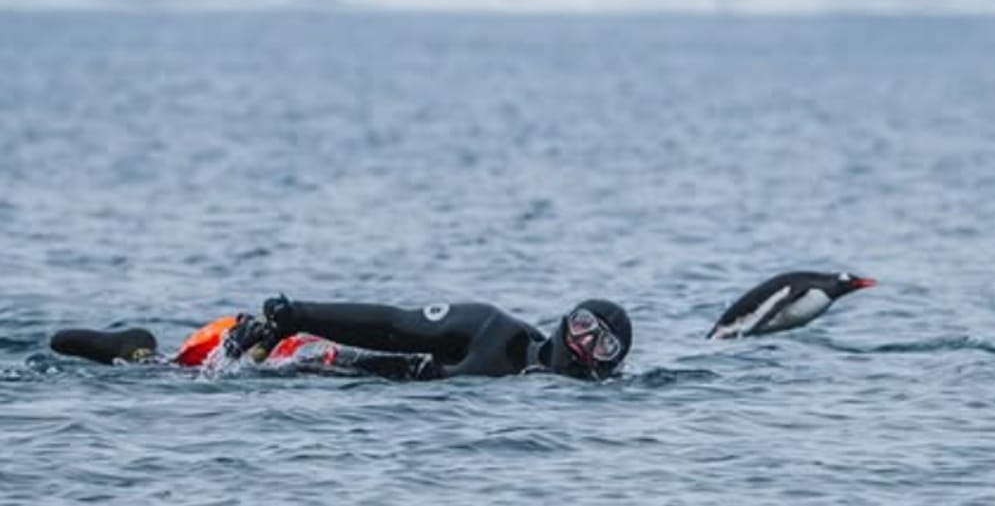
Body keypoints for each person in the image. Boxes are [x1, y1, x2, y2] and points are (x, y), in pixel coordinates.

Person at [50, 294, 633, 382]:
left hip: (334, 387)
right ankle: (133, 350)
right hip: (321, 360)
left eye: (602, 346)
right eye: (583, 328)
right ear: (565, 323)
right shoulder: (492, 332)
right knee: (180, 378)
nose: (584, 346)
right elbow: (394, 324)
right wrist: (297, 313)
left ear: (610, 367)